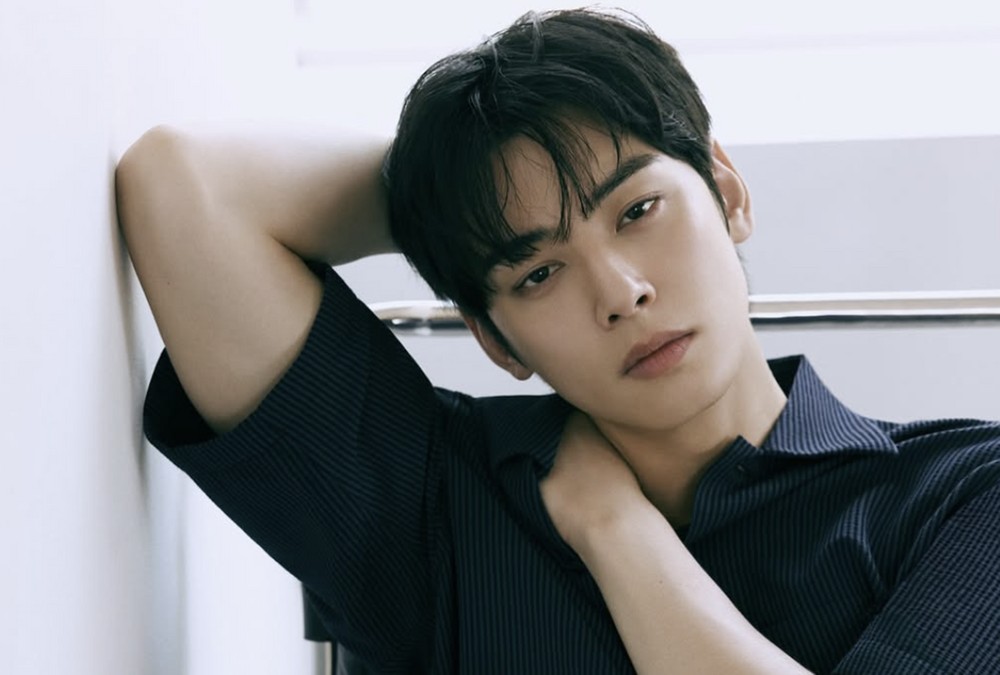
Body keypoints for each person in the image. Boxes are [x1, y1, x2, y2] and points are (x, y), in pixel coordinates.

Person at [116, 8, 1000, 674]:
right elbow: (186, 190)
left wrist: (613, 528)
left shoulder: (963, 493)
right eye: (537, 272)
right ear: (494, 338)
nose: (620, 293)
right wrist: (456, 199)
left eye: (638, 209)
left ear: (727, 191)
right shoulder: (440, 498)